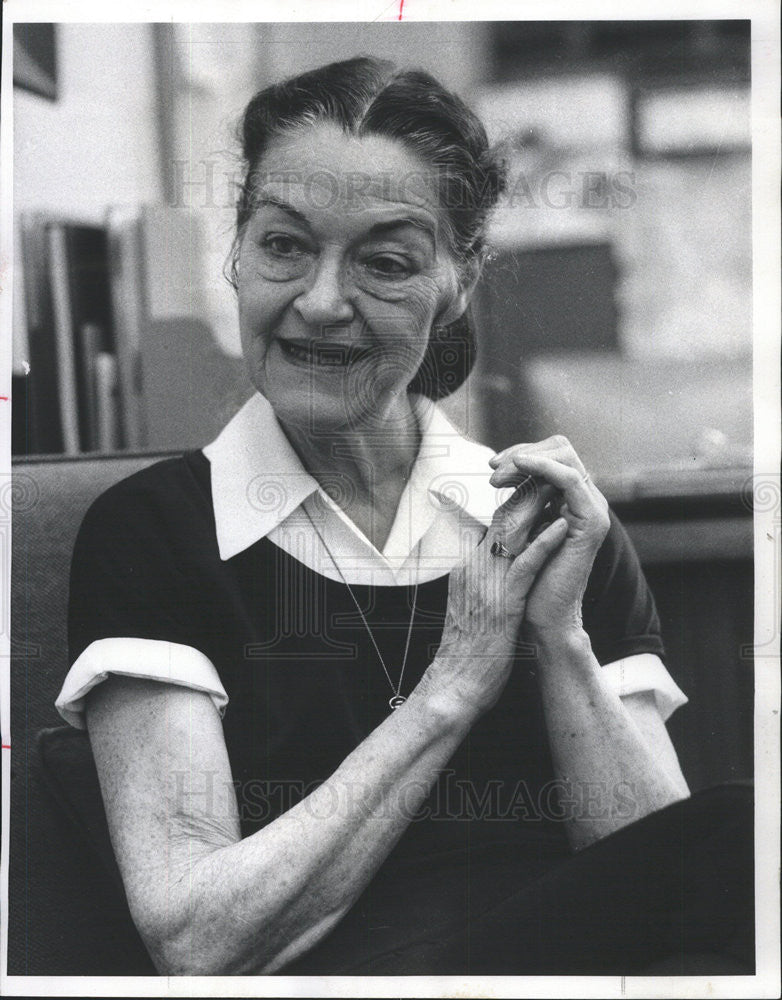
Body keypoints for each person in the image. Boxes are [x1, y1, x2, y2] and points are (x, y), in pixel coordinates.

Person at [55, 57, 753, 976]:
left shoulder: (546, 521)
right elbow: (196, 935)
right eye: (284, 245)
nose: (321, 301)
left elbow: (670, 877)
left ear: (457, 282)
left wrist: (558, 641)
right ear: (237, 251)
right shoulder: (153, 534)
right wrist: (453, 685)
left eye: (383, 262)